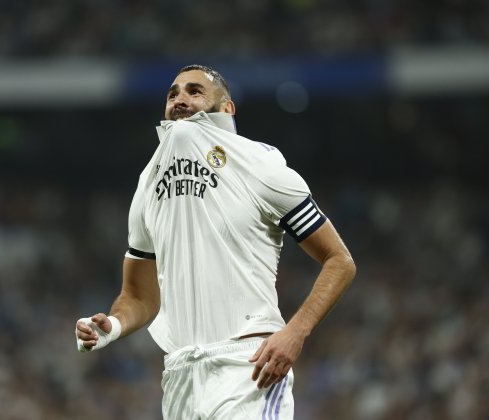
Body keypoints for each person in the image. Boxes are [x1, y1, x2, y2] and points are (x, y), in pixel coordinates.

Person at [75, 64, 356, 419]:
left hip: (248, 366)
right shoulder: (147, 185)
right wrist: (112, 327)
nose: (180, 98)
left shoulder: (261, 166)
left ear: (227, 108)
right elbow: (139, 295)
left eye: (195, 91)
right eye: (173, 93)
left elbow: (339, 260)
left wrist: (294, 333)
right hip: (180, 377)